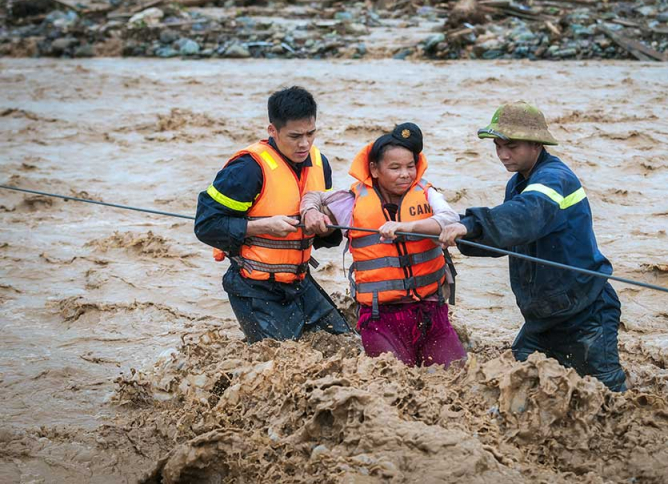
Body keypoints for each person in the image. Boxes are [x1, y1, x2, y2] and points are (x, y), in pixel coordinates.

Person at [439, 102, 627, 391]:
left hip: (586, 312)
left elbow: (524, 216)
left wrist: (472, 225)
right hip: (544, 317)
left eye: (511, 146)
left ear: (537, 144)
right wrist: (464, 237)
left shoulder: (554, 180)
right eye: (498, 146)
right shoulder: (517, 184)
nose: (503, 154)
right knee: (518, 386)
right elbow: (508, 237)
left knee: (608, 396)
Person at [302, 123, 466, 368]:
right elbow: (315, 196)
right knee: (392, 380)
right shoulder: (352, 203)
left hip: (431, 312)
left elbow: (450, 219)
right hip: (380, 319)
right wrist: (310, 211)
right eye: (395, 167)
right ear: (374, 170)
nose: (405, 174)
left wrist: (407, 227)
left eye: (411, 166)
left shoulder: (427, 194)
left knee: (458, 376)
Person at [194, 86, 350, 343]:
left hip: (299, 282)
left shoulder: (320, 163)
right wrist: (263, 226)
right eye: (295, 136)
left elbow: (324, 238)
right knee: (282, 364)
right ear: (273, 131)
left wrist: (326, 226)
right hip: (253, 287)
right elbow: (206, 226)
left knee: (347, 346)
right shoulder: (246, 169)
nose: (304, 143)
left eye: (311, 133)